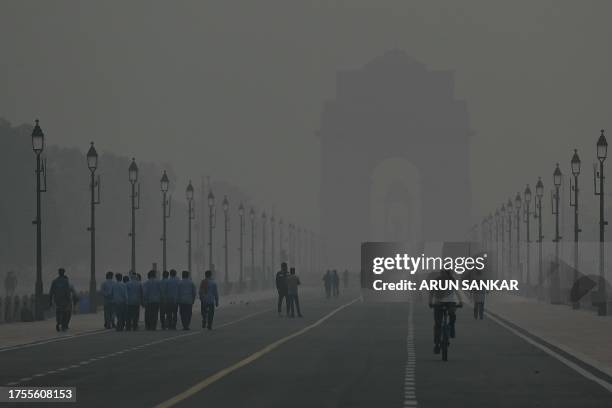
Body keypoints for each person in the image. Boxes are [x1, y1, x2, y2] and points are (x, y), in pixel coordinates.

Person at [428, 268, 463, 354]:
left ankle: (438, 342)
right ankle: (446, 334)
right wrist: (460, 302)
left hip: (442, 303)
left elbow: (432, 292)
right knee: (442, 321)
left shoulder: (447, 280)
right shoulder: (444, 280)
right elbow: (432, 291)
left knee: (439, 323)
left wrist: (430, 302)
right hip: (445, 303)